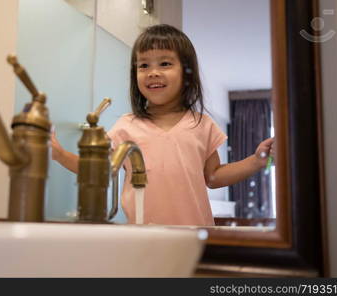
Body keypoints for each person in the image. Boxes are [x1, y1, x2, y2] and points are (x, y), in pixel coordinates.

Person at [51, 24, 274, 226]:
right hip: (142, 237)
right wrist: (59, 153)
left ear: (187, 73)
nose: (153, 72)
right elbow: (98, 170)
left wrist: (256, 161)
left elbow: (213, 177)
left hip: (195, 236)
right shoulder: (126, 126)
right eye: (144, 65)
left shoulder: (201, 124)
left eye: (165, 63)